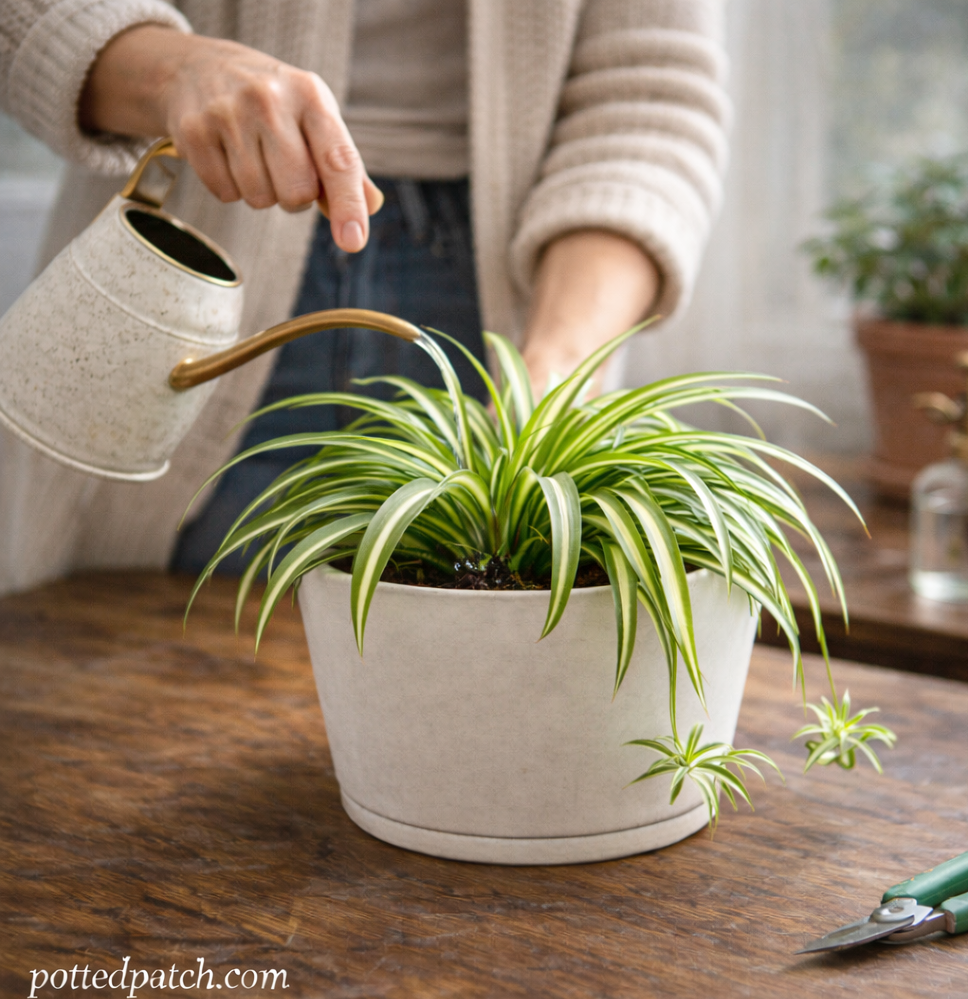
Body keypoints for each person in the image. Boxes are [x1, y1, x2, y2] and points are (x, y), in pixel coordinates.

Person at [0, 0, 729, 589]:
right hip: (207, 232)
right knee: (142, 653)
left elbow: (648, 99)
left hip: (515, 283)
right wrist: (173, 72)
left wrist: (559, 364)